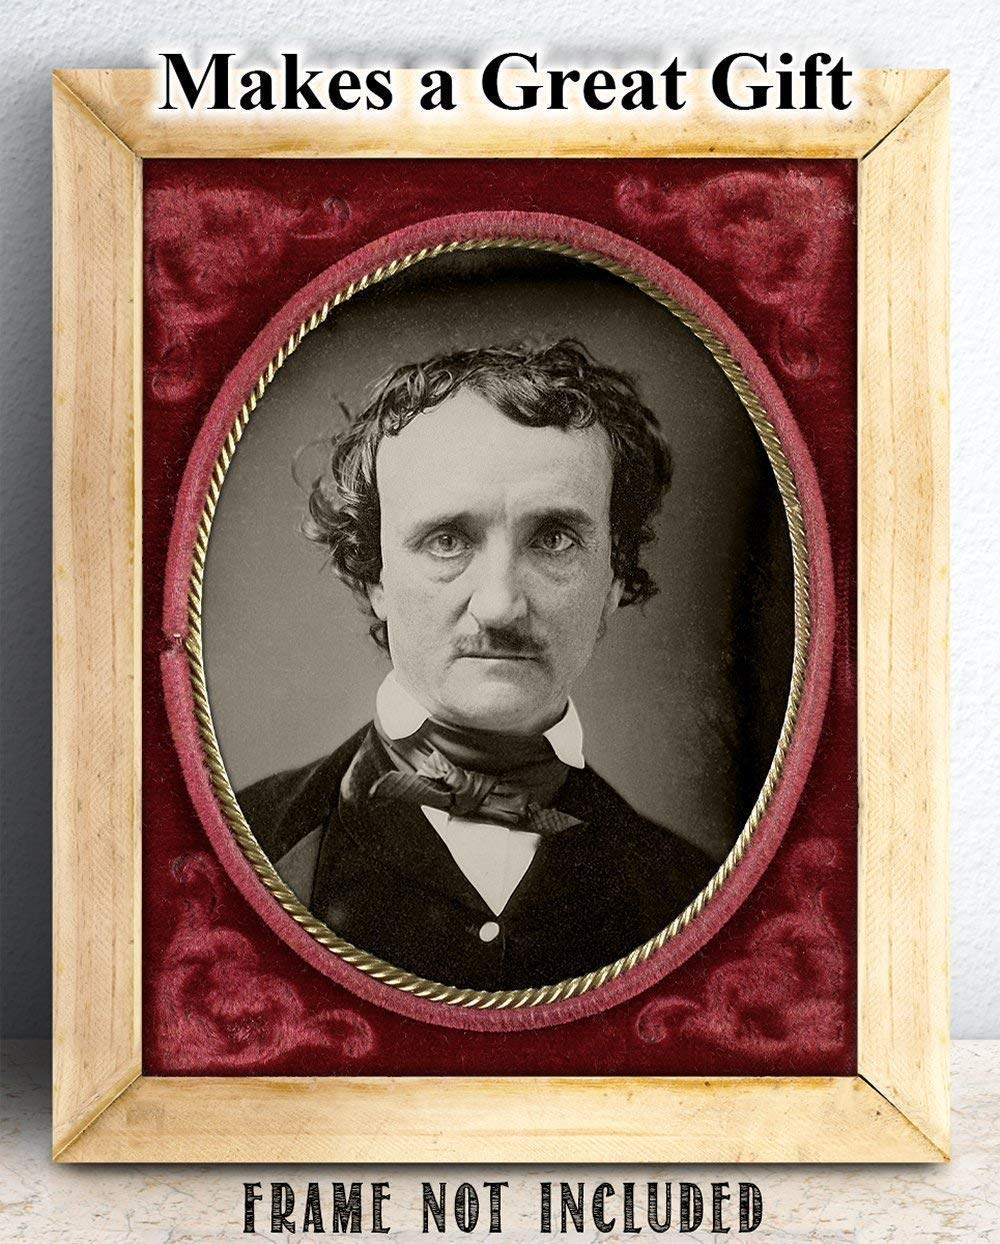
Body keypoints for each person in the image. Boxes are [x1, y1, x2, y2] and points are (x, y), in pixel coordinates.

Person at [239, 339, 715, 990]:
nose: (499, 606)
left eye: (553, 539)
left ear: (614, 577)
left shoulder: (695, 898)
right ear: (375, 574)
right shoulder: (241, 850)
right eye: (447, 540)